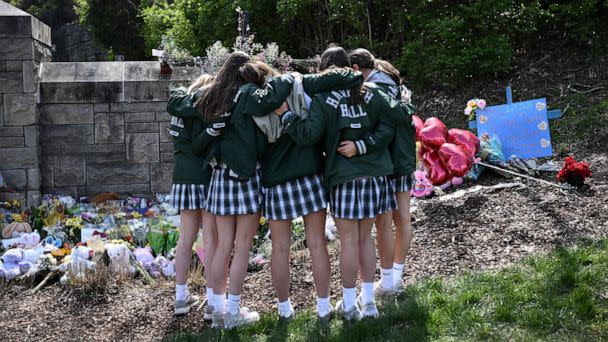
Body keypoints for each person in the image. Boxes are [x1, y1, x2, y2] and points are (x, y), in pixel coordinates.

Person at [278, 46, 406, 321]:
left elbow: (309, 135)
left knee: (349, 241)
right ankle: (369, 303)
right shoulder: (370, 91)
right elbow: (391, 124)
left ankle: (349, 306)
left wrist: (286, 115)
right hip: (375, 175)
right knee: (364, 239)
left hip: (344, 177)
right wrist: (363, 144)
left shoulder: (323, 98)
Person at [242, 60, 363, 322]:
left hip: (275, 180)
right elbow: (335, 78)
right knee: (318, 244)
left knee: (280, 249)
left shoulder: (249, 103)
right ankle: (323, 307)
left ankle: (284, 309)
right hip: (309, 174)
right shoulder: (298, 83)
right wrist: (354, 76)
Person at [345, 49, 416, 295]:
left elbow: (390, 121)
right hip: (402, 155)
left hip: (390, 158)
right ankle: (395, 276)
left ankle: (393, 279)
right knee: (401, 217)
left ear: (356, 69)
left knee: (388, 221)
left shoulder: (375, 88)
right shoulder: (388, 78)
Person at [166, 74, 217, 317]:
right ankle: (211, 300)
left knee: (185, 240)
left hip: (182, 177)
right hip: (203, 177)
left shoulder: (179, 108)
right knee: (209, 241)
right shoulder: (199, 111)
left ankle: (180, 297)